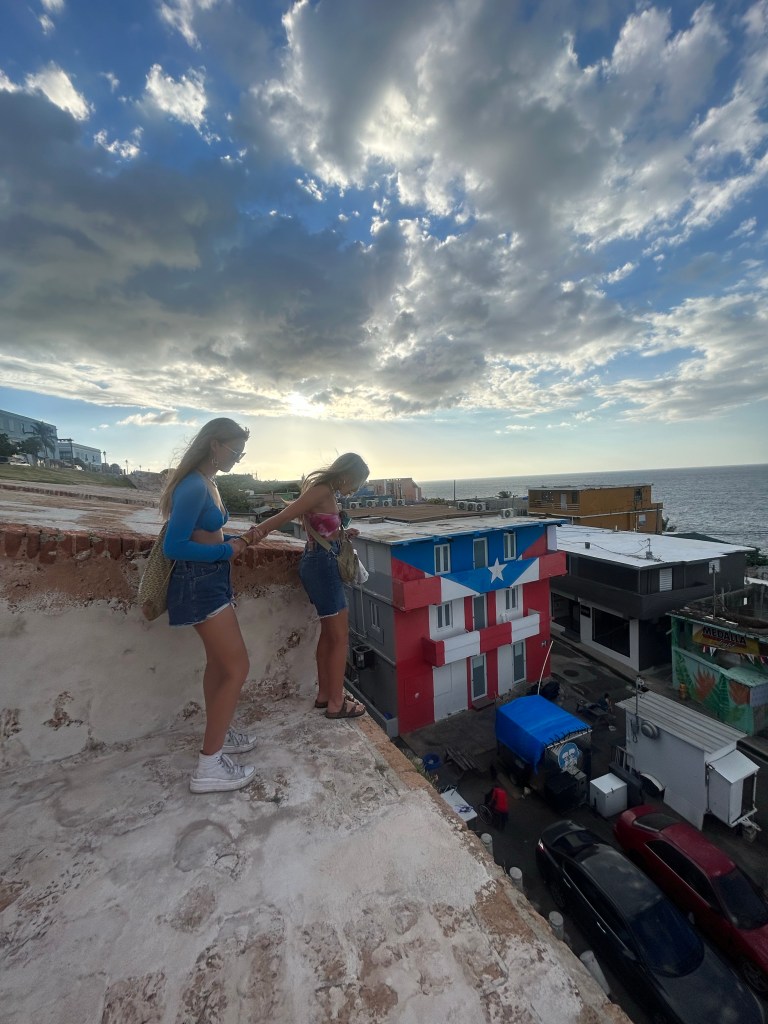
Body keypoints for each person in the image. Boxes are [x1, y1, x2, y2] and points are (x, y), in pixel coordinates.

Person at [160, 417, 259, 793]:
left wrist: (232, 540)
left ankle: (221, 733)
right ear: (214, 444)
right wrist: (225, 551)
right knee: (237, 667)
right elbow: (174, 546)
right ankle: (209, 767)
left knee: (219, 665)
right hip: (199, 584)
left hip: (211, 581)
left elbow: (207, 530)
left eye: (241, 452)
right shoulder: (192, 485)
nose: (237, 458)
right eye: (234, 450)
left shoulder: (208, 482)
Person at [251, 453, 370, 720]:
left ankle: (325, 695)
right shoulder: (321, 490)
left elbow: (319, 528)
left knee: (329, 635)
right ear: (347, 475)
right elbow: (285, 515)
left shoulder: (327, 492)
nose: (355, 490)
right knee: (339, 638)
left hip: (320, 561)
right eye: (357, 483)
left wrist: (341, 533)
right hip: (322, 565)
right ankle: (337, 703)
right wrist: (252, 536)